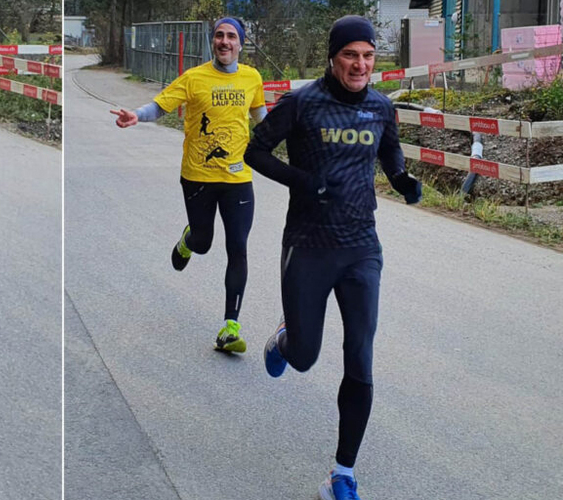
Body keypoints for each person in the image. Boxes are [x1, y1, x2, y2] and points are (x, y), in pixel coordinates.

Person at [243, 15, 421, 500]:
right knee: (304, 358)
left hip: (362, 247)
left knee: (360, 359)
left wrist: (402, 181)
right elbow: (254, 151)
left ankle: (342, 473)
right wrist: (302, 180)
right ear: (333, 57)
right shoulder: (301, 103)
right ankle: (284, 342)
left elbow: (390, 151)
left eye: (367, 56)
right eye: (350, 55)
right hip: (308, 245)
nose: (360, 64)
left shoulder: (381, 107)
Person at [110, 17, 267, 353]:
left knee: (237, 247)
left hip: (239, 178)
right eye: (219, 36)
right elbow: (160, 105)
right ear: (213, 42)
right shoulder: (194, 78)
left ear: (241, 43)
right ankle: (188, 240)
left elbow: (261, 118)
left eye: (231, 37)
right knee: (204, 241)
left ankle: (230, 327)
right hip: (197, 176)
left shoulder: (252, 77)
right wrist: (137, 115)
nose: (224, 41)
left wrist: (287, 139)